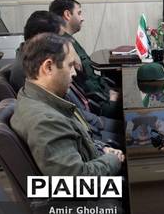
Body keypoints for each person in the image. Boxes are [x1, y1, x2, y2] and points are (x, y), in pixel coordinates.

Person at [11, 33, 124, 176]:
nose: (74, 73)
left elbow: (79, 141)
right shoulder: (46, 122)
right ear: (48, 67)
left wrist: (102, 149)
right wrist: (113, 160)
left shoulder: (34, 96)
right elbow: (77, 180)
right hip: (97, 188)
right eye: (70, 65)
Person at [9, 10, 123, 148]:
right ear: (43, 39)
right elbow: (67, 115)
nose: (65, 42)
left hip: (86, 122)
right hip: (83, 133)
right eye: (60, 38)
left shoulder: (35, 58)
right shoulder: (31, 71)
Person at [49, 0, 121, 118]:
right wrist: (110, 97)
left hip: (102, 95)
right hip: (98, 107)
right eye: (79, 13)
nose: (82, 18)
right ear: (67, 14)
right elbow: (83, 86)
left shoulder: (69, 40)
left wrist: (109, 90)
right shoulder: (64, 46)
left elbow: (90, 76)